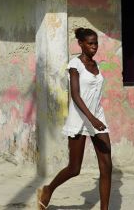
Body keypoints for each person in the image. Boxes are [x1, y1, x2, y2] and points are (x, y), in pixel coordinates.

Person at [38, 28, 112, 210]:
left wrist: (96, 118)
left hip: (97, 117)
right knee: (74, 168)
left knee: (107, 166)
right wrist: (91, 119)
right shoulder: (75, 65)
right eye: (90, 43)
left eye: (96, 43)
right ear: (81, 44)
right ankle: (48, 189)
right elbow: (76, 96)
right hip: (80, 119)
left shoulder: (97, 66)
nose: (94, 47)